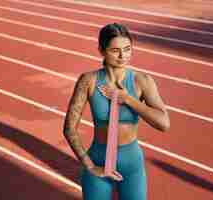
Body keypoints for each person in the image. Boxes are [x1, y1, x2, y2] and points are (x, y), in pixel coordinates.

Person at [63, 23, 170, 200]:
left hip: (131, 163)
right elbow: (69, 128)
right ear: (101, 50)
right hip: (98, 159)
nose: (123, 56)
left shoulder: (142, 81)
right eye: (115, 50)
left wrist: (128, 99)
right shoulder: (88, 81)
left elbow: (163, 123)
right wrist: (89, 165)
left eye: (127, 49)